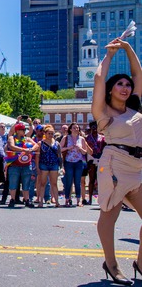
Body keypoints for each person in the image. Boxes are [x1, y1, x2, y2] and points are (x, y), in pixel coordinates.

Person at [92, 38, 142, 286]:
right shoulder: (103, 112)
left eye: (128, 85)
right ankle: (111, 264)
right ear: (111, 89)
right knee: (109, 217)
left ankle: (140, 263)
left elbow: (138, 73)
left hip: (138, 168)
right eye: (119, 84)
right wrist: (110, 55)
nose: (125, 87)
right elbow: (99, 79)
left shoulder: (135, 109)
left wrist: (128, 48)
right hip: (114, 166)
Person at [5, 122, 38, 208]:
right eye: (22, 130)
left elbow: (36, 145)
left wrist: (31, 149)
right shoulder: (12, 138)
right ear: (17, 130)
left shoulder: (27, 139)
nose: (24, 131)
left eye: (24, 130)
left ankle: (26, 199)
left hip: (26, 164)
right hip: (14, 164)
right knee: (13, 183)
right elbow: (12, 146)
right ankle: (12, 199)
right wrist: (24, 150)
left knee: (26, 183)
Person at [60, 123, 88, 207]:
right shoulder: (66, 138)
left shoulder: (82, 139)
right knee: (68, 181)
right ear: (70, 129)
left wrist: (80, 148)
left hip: (78, 162)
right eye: (74, 128)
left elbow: (85, 152)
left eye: (77, 128)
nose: (76, 129)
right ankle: (67, 199)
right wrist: (68, 148)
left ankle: (78, 200)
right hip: (69, 162)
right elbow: (60, 149)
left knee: (77, 181)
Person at [34, 124, 62, 208]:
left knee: (54, 183)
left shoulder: (57, 143)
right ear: (45, 134)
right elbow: (37, 156)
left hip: (54, 164)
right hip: (44, 164)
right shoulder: (41, 143)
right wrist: (37, 167)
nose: (50, 135)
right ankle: (40, 202)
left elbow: (60, 155)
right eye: (49, 133)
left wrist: (61, 166)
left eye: (52, 133)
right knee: (43, 183)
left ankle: (57, 202)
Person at [84, 120, 105, 205]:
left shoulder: (102, 138)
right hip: (91, 160)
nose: (95, 129)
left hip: (101, 160)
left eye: (96, 127)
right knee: (91, 179)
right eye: (93, 127)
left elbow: (105, 148)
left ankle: (101, 199)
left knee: (101, 179)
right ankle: (90, 199)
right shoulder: (87, 138)